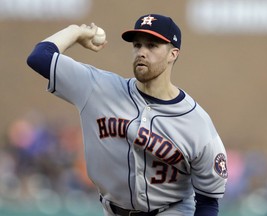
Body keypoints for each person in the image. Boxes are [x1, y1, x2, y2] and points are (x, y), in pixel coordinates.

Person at [27, 14, 228, 216]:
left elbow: (208, 201)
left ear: (173, 54)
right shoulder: (97, 89)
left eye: (152, 46)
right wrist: (76, 31)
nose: (141, 52)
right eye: (137, 45)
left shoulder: (196, 122)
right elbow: (39, 57)